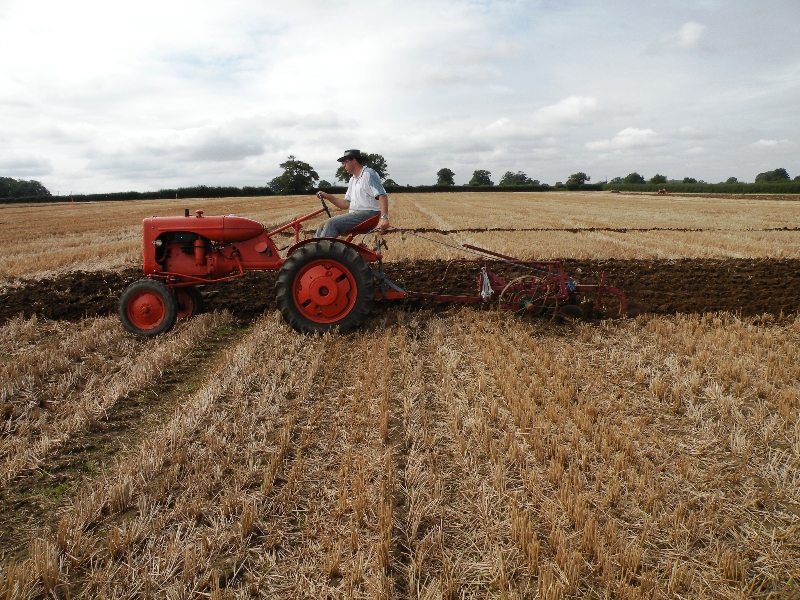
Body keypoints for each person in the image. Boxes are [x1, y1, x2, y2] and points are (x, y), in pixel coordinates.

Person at [315, 149, 390, 237]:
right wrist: (327, 196)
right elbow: (345, 204)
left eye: (345, 162)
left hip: (368, 214)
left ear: (354, 161)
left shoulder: (368, 174)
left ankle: (323, 249)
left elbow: (382, 195)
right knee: (322, 225)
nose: (344, 165)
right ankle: (314, 248)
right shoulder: (352, 179)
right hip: (357, 214)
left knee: (332, 223)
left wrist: (384, 217)